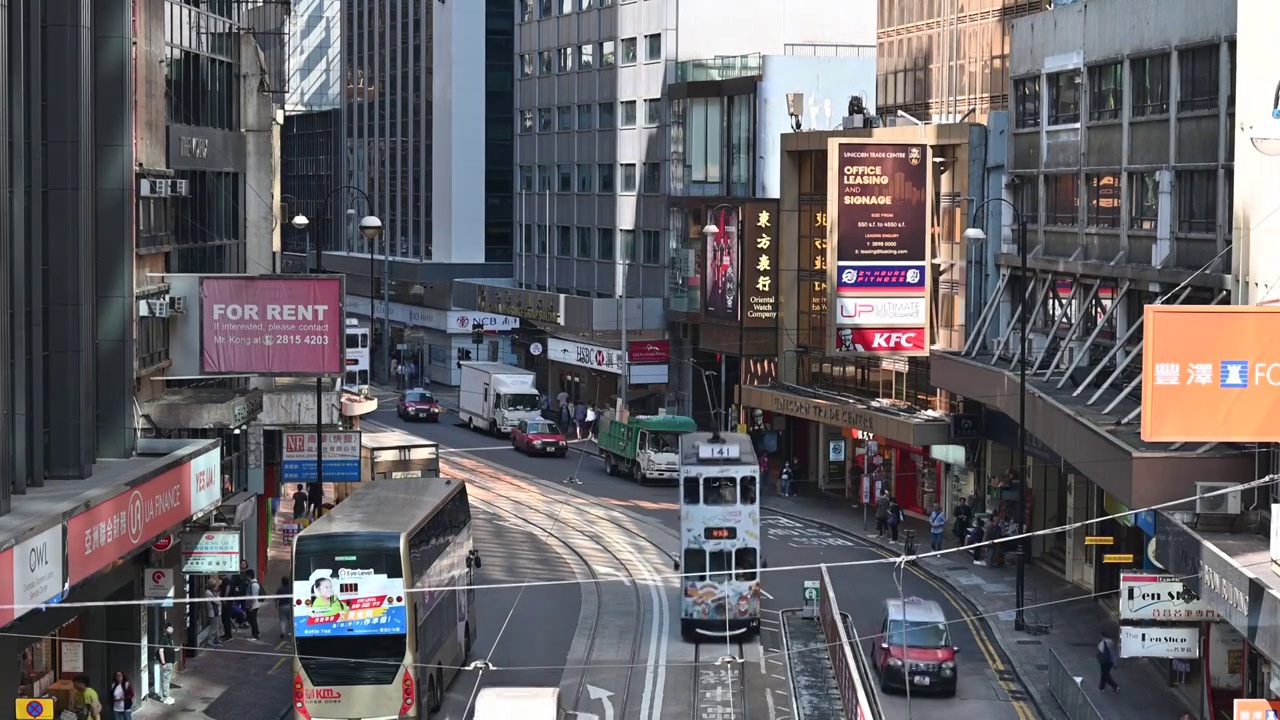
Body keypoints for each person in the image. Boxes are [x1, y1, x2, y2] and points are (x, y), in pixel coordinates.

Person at [155, 622, 178, 705]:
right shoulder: (163, 638)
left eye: (171, 628)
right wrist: (163, 663)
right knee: (166, 680)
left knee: (166, 679)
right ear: (165, 630)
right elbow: (161, 651)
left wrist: (174, 650)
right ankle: (166, 697)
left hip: (170, 661)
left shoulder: (169, 638)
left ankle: (165, 696)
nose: (171, 630)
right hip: (167, 662)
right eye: (169, 628)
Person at [204, 579, 223, 647]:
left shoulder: (212, 592)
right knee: (213, 628)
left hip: (216, 612)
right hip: (213, 612)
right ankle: (210, 641)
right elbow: (217, 602)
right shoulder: (208, 593)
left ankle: (216, 639)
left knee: (218, 626)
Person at [245, 570, 263, 641]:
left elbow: (254, 597)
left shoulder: (254, 585)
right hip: (251, 605)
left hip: (253, 606)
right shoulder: (251, 583)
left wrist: (251, 606)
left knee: (253, 620)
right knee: (251, 620)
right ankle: (256, 632)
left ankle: (255, 635)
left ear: (249, 576)